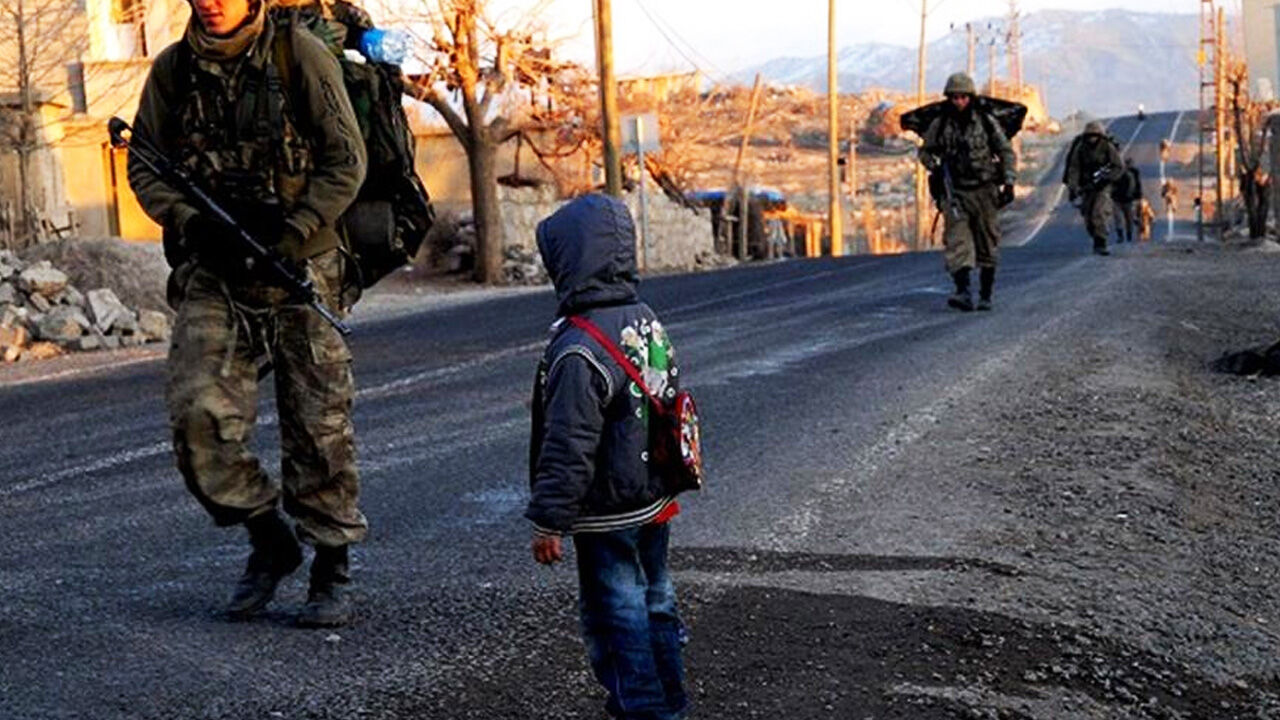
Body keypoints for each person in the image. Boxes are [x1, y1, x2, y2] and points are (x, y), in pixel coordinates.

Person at [127, 0, 368, 627]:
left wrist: (297, 229)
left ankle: (331, 567)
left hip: (300, 261)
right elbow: (144, 165)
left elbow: (348, 160)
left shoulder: (300, 56)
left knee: (318, 421)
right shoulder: (174, 71)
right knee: (198, 414)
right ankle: (269, 539)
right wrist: (191, 223)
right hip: (218, 268)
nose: (211, 1)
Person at [527, 193, 688, 720]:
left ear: (570, 262)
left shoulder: (578, 346)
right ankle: (670, 701)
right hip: (653, 493)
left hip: (607, 509)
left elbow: (569, 442)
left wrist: (550, 519)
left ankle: (642, 709)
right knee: (656, 601)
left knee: (616, 613)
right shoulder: (644, 317)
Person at [917, 72, 1016, 311]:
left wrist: (1009, 182)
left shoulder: (985, 121)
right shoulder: (940, 124)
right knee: (957, 242)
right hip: (956, 193)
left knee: (987, 243)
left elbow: (1005, 151)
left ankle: (985, 294)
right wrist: (936, 168)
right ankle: (963, 291)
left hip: (985, 191)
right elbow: (925, 152)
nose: (959, 102)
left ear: (970, 97)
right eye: (954, 97)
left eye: (963, 97)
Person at [1065, 121, 1123, 255]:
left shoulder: (1107, 147)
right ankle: (1096, 235)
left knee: (1099, 212)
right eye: (1090, 136)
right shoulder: (1081, 148)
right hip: (1086, 186)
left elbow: (1118, 166)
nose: (1092, 139)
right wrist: (1073, 187)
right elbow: (1074, 168)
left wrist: (1106, 179)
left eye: (1095, 135)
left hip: (1103, 186)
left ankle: (1101, 242)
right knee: (1088, 217)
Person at [1111, 157, 1144, 243]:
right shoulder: (1117, 173)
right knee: (1118, 218)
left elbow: (1137, 185)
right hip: (1117, 199)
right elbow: (1111, 184)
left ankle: (1129, 236)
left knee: (1129, 219)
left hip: (1128, 200)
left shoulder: (1135, 172)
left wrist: (1138, 196)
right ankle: (1120, 235)